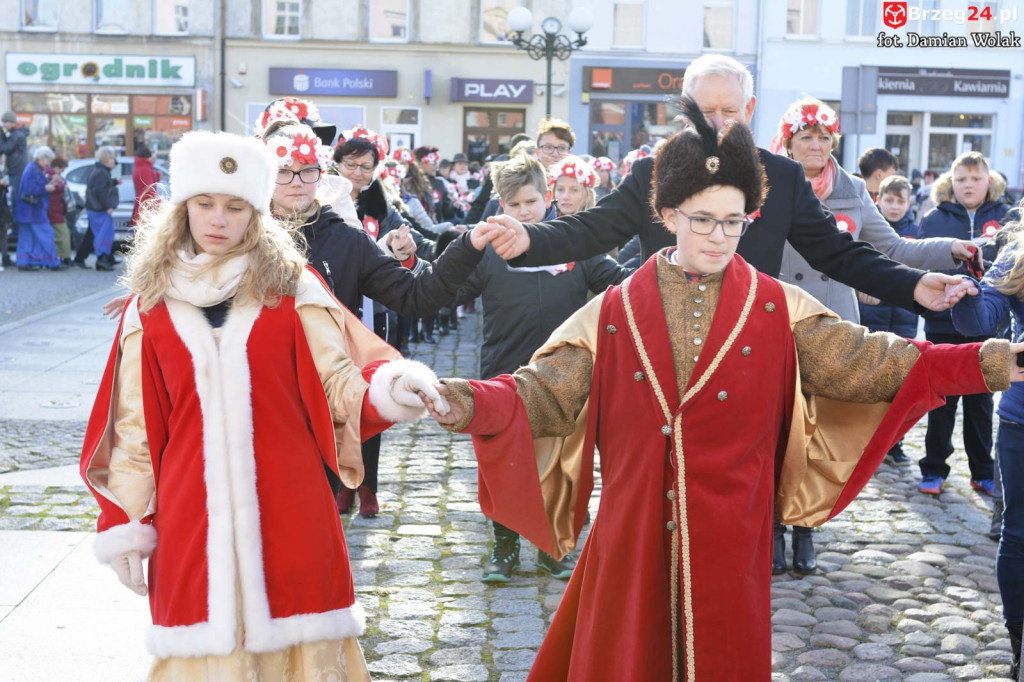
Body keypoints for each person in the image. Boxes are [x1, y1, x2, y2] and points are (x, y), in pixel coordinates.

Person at [422, 102, 1024, 681]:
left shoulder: (776, 305)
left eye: (734, 222)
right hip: (632, 535)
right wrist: (465, 401)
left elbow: (878, 362)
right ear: (668, 216)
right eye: (702, 220)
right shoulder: (615, 309)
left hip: (733, 536)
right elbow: (541, 392)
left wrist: (992, 362)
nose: (719, 236)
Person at [79, 130, 450, 680]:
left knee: (304, 650)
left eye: (235, 206)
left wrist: (390, 389)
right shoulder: (150, 308)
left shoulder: (294, 289)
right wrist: (126, 522)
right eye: (204, 203)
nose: (218, 219)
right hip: (191, 515)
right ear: (182, 209)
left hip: (292, 506)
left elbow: (339, 384)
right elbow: (132, 430)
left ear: (257, 212)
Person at [483, 53, 971, 318]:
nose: (716, 123)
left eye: (729, 112)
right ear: (684, 109)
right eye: (704, 111)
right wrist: (530, 237)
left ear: (750, 111)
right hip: (664, 339)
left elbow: (838, 253)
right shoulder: (652, 172)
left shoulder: (780, 177)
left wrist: (911, 285)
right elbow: (593, 230)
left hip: (751, 338)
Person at [260, 116, 502, 518]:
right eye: (284, 172)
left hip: (322, 397)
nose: (298, 182)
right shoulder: (241, 236)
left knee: (308, 517)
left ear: (321, 174)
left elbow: (417, 295)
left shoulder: (345, 239)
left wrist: (467, 247)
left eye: (307, 171)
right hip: (256, 397)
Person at [456, 151, 628, 583]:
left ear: (547, 197)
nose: (522, 212)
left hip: (563, 373)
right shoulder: (487, 251)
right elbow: (447, 282)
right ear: (499, 205)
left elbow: (618, 280)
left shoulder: (573, 242)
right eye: (512, 205)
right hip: (503, 371)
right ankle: (505, 545)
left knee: (563, 461)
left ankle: (556, 545)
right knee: (503, 461)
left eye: (530, 202)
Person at [950, 207, 1024, 678]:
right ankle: (1020, 642)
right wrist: (965, 293)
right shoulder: (1016, 253)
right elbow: (979, 321)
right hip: (1022, 419)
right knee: (1018, 532)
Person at [916, 151, 1010, 497]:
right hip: (943, 325)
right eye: (961, 179)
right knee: (941, 401)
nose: (968, 185)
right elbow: (920, 265)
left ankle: (983, 471)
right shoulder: (935, 218)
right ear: (950, 183)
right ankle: (934, 468)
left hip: (987, 328)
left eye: (975, 178)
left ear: (990, 181)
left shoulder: (1006, 217)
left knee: (980, 404)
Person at [859, 174, 923, 466]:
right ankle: (865, 442)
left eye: (901, 201)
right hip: (873, 315)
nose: (895, 206)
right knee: (871, 378)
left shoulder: (917, 234)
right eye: (889, 200)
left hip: (905, 316)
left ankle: (895, 443)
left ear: (910, 203)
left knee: (900, 382)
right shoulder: (869, 231)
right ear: (878, 201)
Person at [14, 146, 62, 271]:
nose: (49, 163)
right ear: (42, 158)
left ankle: (24, 262)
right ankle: (52, 262)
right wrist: (47, 188)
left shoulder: (31, 168)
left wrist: (50, 183)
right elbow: (30, 190)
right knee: (47, 234)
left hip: (25, 211)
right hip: (34, 211)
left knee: (26, 237)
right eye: (48, 160)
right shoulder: (34, 170)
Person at [85, 146, 121, 271]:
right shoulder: (101, 172)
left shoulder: (100, 170)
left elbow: (102, 186)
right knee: (104, 234)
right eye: (112, 158)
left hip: (95, 208)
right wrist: (108, 206)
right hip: (99, 209)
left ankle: (106, 258)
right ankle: (102, 260)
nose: (114, 161)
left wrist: (114, 181)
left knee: (104, 233)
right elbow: (100, 191)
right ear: (107, 159)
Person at [0, 111, 29, 212]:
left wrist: (0, 137)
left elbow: (5, 148)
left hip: (17, 172)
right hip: (15, 171)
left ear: (13, 122)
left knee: (16, 200)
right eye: (2, 122)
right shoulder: (17, 133)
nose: (3, 124)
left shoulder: (17, 135)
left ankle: (16, 226)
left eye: (5, 122)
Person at [46, 156, 72, 265]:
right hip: (55, 209)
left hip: (55, 209)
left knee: (58, 234)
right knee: (64, 233)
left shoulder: (49, 175)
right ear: (57, 167)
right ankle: (65, 257)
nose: (62, 172)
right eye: (62, 169)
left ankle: (60, 256)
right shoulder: (52, 176)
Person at [131, 143, 161, 227]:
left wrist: (156, 175)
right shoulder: (146, 168)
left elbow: (143, 183)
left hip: (141, 202)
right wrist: (156, 205)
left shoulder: (139, 167)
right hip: (147, 205)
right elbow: (149, 188)